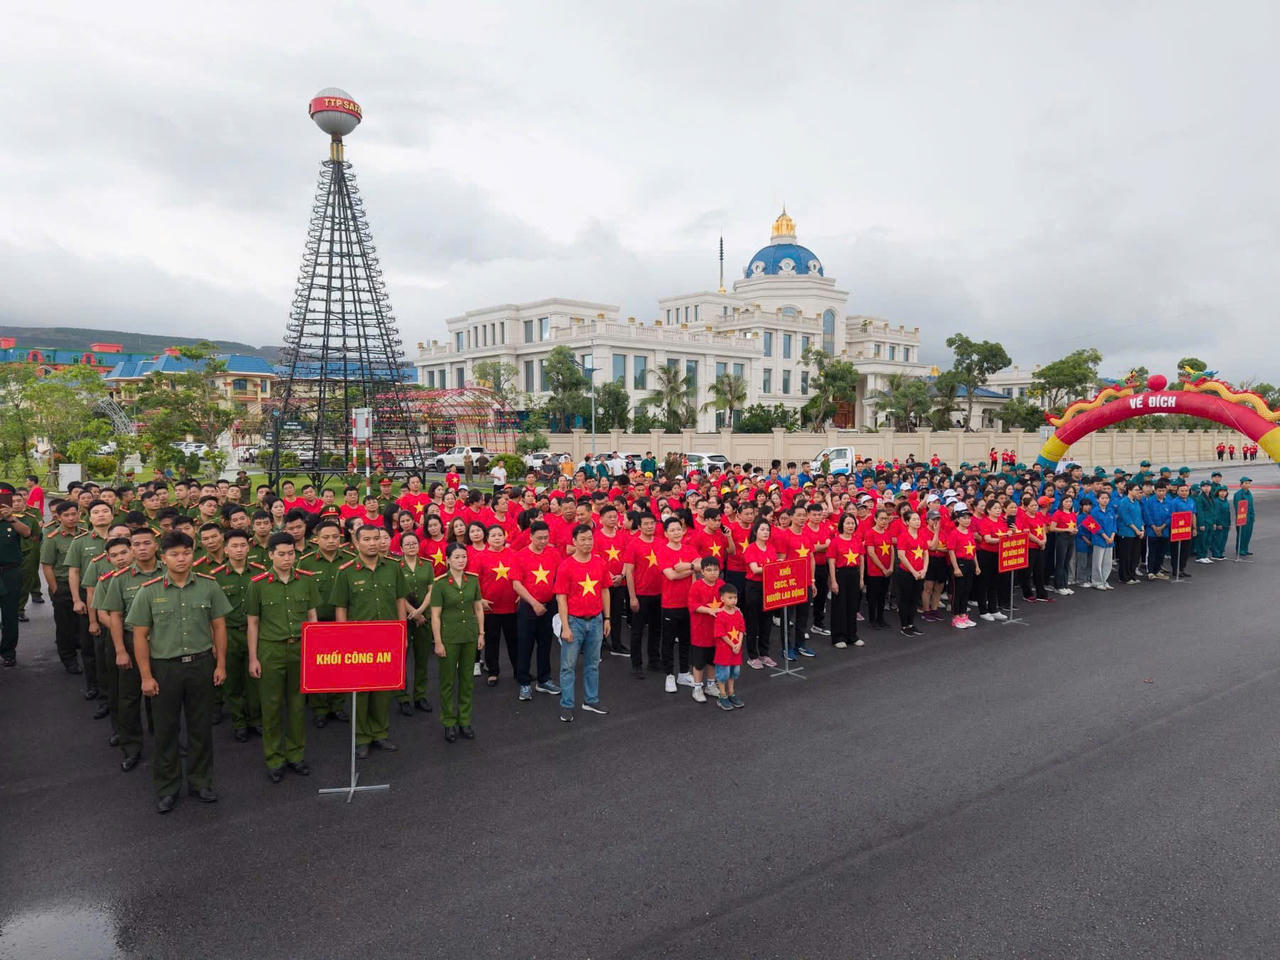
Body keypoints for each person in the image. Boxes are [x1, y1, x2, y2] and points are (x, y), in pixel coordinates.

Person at [127, 531, 231, 814]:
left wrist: (220, 664)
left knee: (201, 728)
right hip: (165, 668)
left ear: (193, 555)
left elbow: (219, 626)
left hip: (200, 665)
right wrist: (146, 676)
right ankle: (167, 787)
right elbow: (140, 635)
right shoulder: (149, 591)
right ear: (164, 558)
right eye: (174, 554)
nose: (181, 559)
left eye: (186, 553)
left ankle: (201, 781)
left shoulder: (209, 586)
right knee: (165, 730)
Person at [247, 532, 320, 782]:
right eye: (281, 554)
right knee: (272, 706)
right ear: (270, 555)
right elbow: (253, 623)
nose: (287, 558)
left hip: (299, 648)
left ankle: (296, 755)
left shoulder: (306, 581)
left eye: (291, 553)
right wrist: (253, 658)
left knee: (298, 706)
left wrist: (314, 650)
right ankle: (274, 758)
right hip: (271, 650)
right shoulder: (257, 584)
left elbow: (312, 617)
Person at [332, 524, 409, 758]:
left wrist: (402, 632)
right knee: (360, 691)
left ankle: (380, 733)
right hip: (358, 640)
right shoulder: (346, 571)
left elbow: (399, 601)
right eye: (366, 539)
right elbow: (341, 608)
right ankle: (361, 737)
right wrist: (343, 639)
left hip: (387, 636)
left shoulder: (393, 568)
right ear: (356, 543)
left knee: (383, 689)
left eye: (376, 538)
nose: (373, 543)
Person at [554, 523, 611, 722]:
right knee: (568, 666)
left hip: (595, 620)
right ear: (574, 542)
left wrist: (607, 618)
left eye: (590, 539)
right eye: (583, 539)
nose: (588, 543)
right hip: (574, 622)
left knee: (593, 664)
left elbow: (605, 590)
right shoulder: (566, 566)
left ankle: (591, 700)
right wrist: (565, 627)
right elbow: (561, 598)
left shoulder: (600, 563)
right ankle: (567, 705)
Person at [212, 529, 265, 742]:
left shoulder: (260, 573)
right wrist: (214, 642)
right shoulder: (215, 577)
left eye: (243, 545)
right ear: (225, 549)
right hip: (229, 634)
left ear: (248, 547)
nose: (239, 550)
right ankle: (239, 722)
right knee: (232, 683)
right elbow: (211, 614)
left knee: (255, 679)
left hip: (256, 633)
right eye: (234, 546)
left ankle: (255, 719)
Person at [297, 520, 350, 727]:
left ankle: (337, 705)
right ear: (316, 539)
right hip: (316, 624)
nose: (331, 541)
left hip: (342, 622)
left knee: (340, 666)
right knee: (318, 667)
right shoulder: (306, 562)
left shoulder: (349, 560)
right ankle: (319, 708)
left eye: (335, 537)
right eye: (326, 537)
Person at [431, 543, 484, 741]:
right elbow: (435, 615)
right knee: (447, 681)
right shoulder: (440, 583)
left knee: (467, 680)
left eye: (464, 557)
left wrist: (481, 634)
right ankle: (449, 722)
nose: (461, 560)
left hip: (469, 635)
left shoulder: (473, 581)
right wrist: (438, 641)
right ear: (448, 560)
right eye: (457, 557)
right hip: (449, 637)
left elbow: (478, 609)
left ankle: (464, 720)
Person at [41, 500, 87, 676]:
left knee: (83, 623)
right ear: (58, 517)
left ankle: (83, 651)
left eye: (74, 514)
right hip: (62, 586)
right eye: (66, 515)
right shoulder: (53, 538)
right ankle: (68, 659)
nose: (71, 518)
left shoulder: (85, 535)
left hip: (84, 585)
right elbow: (47, 566)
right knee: (65, 625)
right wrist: (55, 590)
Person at [657, 515, 699, 693]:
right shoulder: (663, 551)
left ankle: (683, 673)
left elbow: (700, 565)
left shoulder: (689, 549)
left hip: (688, 603)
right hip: (670, 604)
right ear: (666, 533)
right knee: (667, 642)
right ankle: (669, 675)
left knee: (686, 640)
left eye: (678, 529)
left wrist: (685, 566)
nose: (676, 532)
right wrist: (690, 569)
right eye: (672, 530)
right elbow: (671, 576)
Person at [396, 532, 435, 715]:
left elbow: (430, 591)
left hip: (424, 618)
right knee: (402, 659)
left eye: (414, 543)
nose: (411, 546)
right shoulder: (396, 566)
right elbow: (398, 594)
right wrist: (413, 612)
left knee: (422, 659)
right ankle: (403, 697)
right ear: (401, 548)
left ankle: (420, 695)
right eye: (407, 544)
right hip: (404, 617)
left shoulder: (427, 565)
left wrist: (420, 612)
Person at [623, 512, 663, 677]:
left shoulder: (661, 543)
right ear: (639, 526)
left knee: (656, 629)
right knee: (637, 631)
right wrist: (632, 597)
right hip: (640, 594)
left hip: (659, 593)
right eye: (646, 524)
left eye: (652, 523)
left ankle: (654, 660)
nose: (650, 526)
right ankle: (636, 664)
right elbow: (629, 572)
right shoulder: (633, 544)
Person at [0, 485, 33, 667]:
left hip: (10, 573)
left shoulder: (14, 521)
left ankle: (8, 651)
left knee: (10, 615)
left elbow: (27, 533)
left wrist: (10, 517)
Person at [687, 556, 725, 703]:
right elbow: (693, 605)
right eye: (708, 570)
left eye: (715, 570)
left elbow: (728, 599)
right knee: (699, 662)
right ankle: (697, 687)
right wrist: (709, 610)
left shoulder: (721, 584)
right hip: (700, 632)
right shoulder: (696, 586)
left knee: (712, 661)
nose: (712, 573)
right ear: (701, 571)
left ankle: (710, 684)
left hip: (716, 632)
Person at [827, 512, 863, 649]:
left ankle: (852, 635)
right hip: (840, 574)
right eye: (847, 523)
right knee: (839, 606)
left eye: (852, 523)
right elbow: (831, 562)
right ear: (842, 524)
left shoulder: (857, 540)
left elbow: (861, 560)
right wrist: (833, 582)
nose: (850, 526)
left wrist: (861, 578)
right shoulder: (835, 541)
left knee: (852, 606)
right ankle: (838, 637)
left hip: (854, 574)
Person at [712, 583, 746, 711]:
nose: (733, 600)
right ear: (722, 599)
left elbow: (742, 629)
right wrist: (733, 645)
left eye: (735, 598)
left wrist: (739, 644)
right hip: (724, 651)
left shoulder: (738, 613)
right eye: (730, 598)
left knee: (734, 672)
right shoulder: (720, 615)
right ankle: (722, 695)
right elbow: (721, 634)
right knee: (723, 674)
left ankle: (731, 693)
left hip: (736, 650)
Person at [894, 509, 928, 637]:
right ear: (907, 522)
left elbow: (926, 553)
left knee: (914, 599)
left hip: (920, 573)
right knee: (905, 599)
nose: (917, 521)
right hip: (906, 573)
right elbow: (901, 556)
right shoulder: (903, 536)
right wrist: (913, 571)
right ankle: (904, 625)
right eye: (913, 519)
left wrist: (924, 569)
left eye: (918, 519)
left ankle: (911, 624)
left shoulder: (922, 535)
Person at [946, 507, 978, 629]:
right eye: (964, 518)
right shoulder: (954, 533)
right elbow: (951, 551)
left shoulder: (969, 532)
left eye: (968, 518)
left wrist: (977, 566)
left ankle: (964, 614)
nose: (967, 520)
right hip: (959, 563)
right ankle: (956, 616)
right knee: (957, 591)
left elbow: (974, 550)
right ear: (958, 519)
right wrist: (956, 568)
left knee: (966, 590)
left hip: (970, 562)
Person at [1234, 477, 1255, 556]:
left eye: (1249, 483)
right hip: (1242, 517)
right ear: (1241, 484)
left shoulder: (1249, 493)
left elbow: (1251, 506)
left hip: (1249, 517)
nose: (1248, 485)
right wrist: (1241, 518)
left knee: (1248, 534)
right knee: (1242, 534)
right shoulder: (1238, 494)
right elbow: (1238, 507)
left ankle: (1245, 549)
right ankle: (1240, 550)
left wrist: (1253, 516)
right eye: (1246, 483)